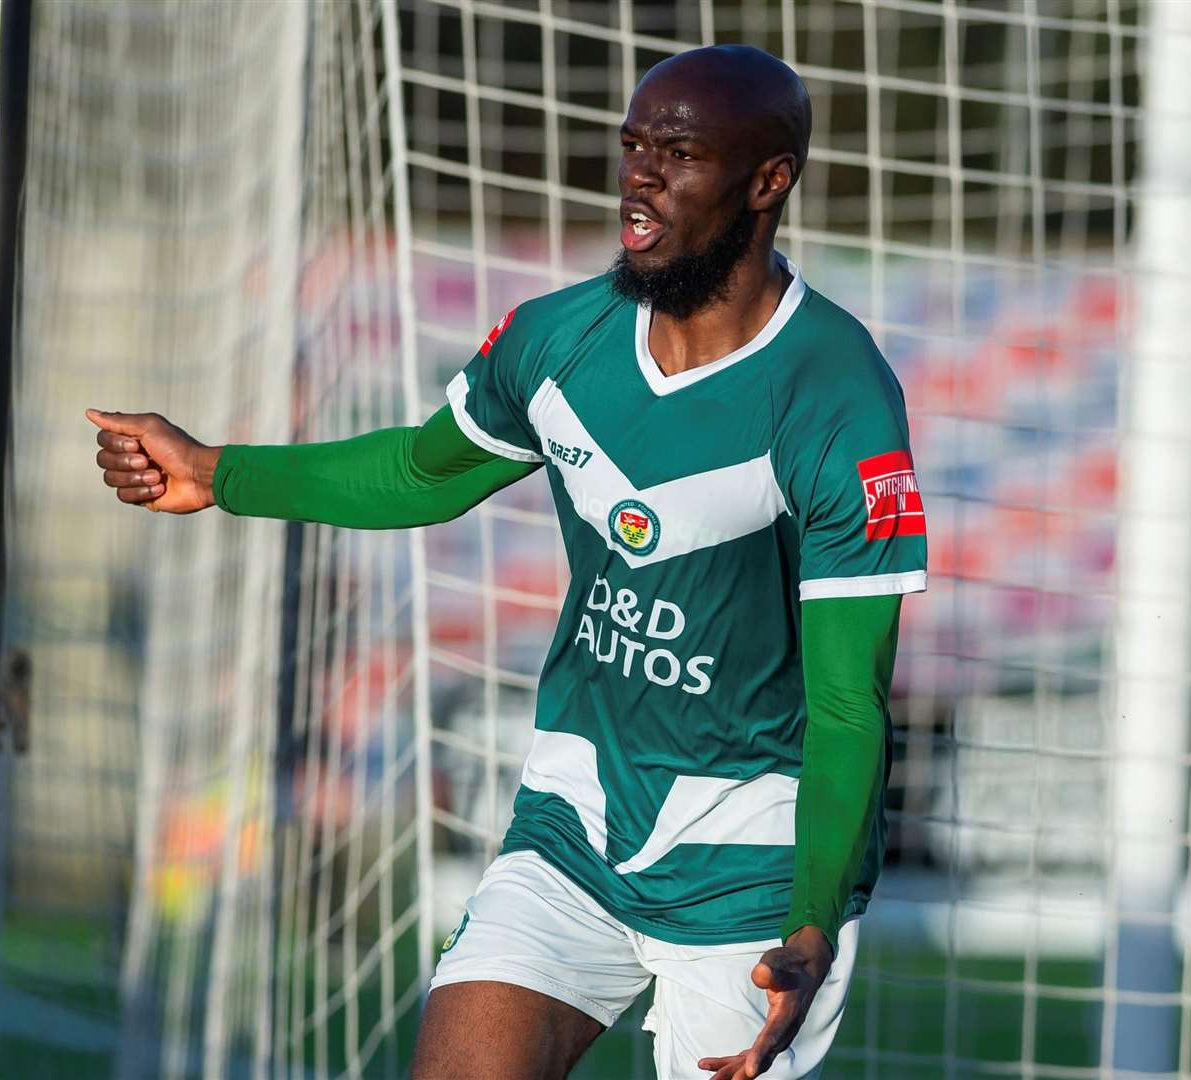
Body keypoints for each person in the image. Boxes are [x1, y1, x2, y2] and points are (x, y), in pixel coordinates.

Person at [88, 45, 925, 1080]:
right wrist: (219, 472)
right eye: (630, 146)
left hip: (749, 862)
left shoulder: (836, 398)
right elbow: (420, 471)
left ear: (767, 181)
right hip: (572, 818)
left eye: (678, 152)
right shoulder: (557, 339)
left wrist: (811, 925)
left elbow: (848, 707)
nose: (639, 175)